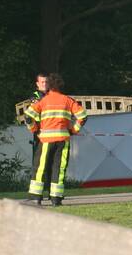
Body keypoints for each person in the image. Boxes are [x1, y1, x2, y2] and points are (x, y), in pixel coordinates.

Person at [23, 73, 87, 206]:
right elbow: (83, 116)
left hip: (45, 140)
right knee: (59, 168)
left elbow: (28, 116)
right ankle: (56, 199)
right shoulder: (68, 100)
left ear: (49, 86)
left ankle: (36, 197)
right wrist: (73, 130)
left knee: (40, 168)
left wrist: (34, 129)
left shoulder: (43, 100)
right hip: (63, 140)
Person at [22, 72, 49, 160]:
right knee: (40, 158)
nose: (45, 84)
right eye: (42, 82)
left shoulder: (52, 94)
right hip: (39, 130)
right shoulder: (35, 95)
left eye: (46, 82)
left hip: (52, 128)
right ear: (37, 84)